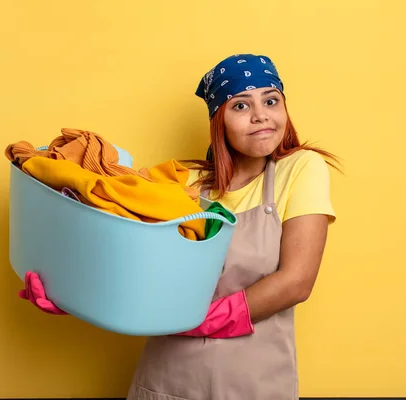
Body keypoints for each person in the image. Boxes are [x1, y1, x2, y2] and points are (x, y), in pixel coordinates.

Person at [126, 53, 340, 400]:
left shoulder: (300, 168)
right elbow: (136, 264)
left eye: (271, 101)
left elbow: (296, 282)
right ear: (218, 121)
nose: (260, 115)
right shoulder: (187, 183)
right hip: (169, 379)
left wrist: (201, 322)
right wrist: (71, 294)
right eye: (240, 106)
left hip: (254, 384)